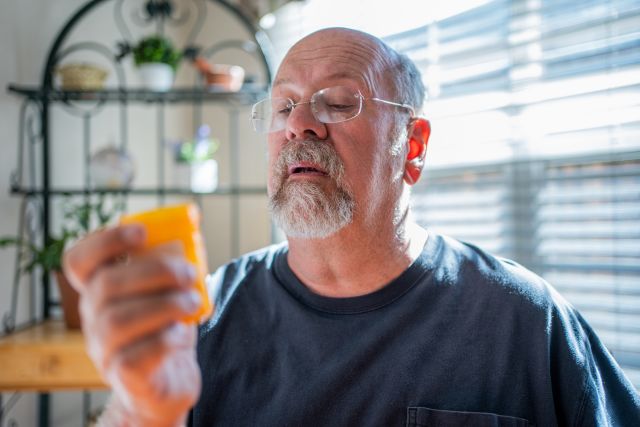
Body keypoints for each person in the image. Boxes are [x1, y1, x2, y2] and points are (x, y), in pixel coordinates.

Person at [63, 28, 640, 426]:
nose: (300, 125)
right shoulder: (199, 319)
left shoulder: (525, 321)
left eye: (338, 102)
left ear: (411, 148)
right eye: (284, 106)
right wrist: (143, 413)